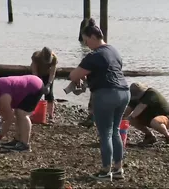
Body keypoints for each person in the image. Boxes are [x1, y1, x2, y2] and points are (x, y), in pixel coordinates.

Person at [69, 18, 130, 181]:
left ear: (93, 37)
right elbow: (111, 70)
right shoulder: (114, 50)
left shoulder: (94, 55)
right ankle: (118, 169)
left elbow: (73, 75)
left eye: (86, 40)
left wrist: (80, 79)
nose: (86, 44)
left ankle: (105, 171)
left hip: (106, 95)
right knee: (115, 130)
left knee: (105, 134)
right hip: (124, 92)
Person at [0, 75, 44, 152]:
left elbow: (9, 119)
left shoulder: (3, 97)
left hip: (34, 86)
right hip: (23, 86)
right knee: (18, 113)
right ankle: (17, 141)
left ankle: (24, 145)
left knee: (21, 113)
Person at [30, 47, 58, 123]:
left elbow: (52, 73)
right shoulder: (36, 56)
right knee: (36, 93)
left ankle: (51, 116)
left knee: (50, 94)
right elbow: (34, 71)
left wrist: (48, 84)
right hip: (38, 74)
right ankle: (32, 112)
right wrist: (40, 82)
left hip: (47, 75)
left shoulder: (54, 58)